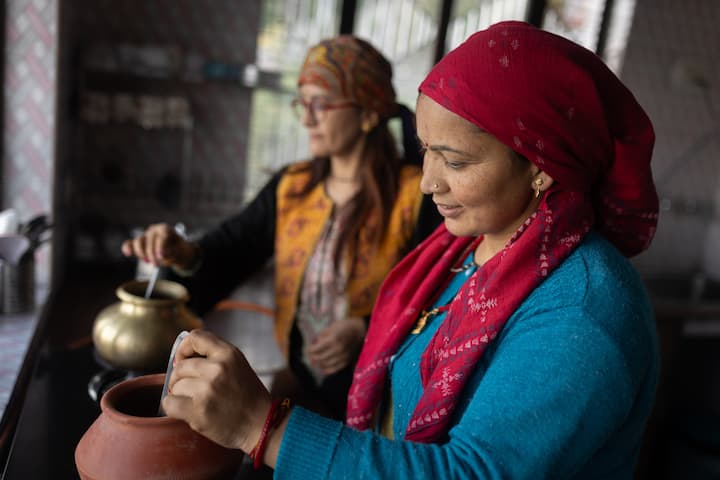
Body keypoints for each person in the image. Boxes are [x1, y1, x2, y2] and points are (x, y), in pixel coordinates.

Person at [161, 21, 660, 479]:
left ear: (541, 166)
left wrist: (262, 428)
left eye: (456, 161)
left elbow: (470, 472)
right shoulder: (461, 250)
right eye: (425, 152)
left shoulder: (582, 309)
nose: (426, 184)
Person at [122, 35, 441, 420]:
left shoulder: (417, 195)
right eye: (302, 103)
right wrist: (182, 252)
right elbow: (231, 250)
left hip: (383, 402)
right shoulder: (293, 187)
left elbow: (439, 295)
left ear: (369, 113)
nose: (306, 118)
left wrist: (365, 328)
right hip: (304, 388)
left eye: (320, 104)